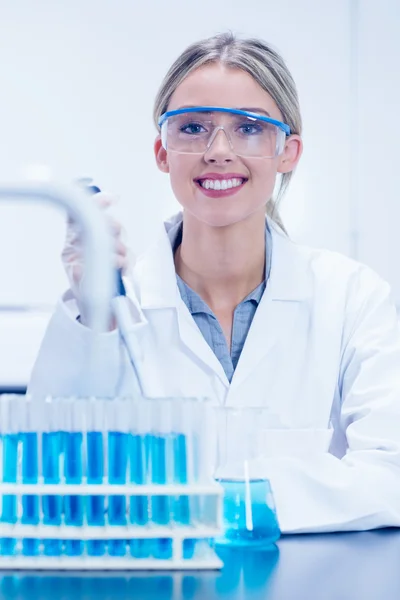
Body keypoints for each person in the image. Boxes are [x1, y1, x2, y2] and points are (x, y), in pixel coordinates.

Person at [29, 32, 400, 534]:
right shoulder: (117, 302)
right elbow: (48, 472)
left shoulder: (353, 299)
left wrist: (213, 500)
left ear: (287, 151)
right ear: (163, 151)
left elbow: (390, 477)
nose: (218, 151)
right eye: (194, 127)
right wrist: (93, 310)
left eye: (249, 128)